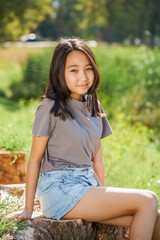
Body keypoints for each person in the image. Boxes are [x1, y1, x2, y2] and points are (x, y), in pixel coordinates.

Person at [5, 37, 160, 240]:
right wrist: (27, 209)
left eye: (88, 69)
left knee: (155, 218)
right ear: (59, 73)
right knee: (148, 199)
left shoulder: (94, 105)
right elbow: (34, 160)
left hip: (87, 186)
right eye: (74, 70)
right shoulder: (50, 108)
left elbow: (98, 160)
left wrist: (105, 197)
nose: (83, 77)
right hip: (60, 190)